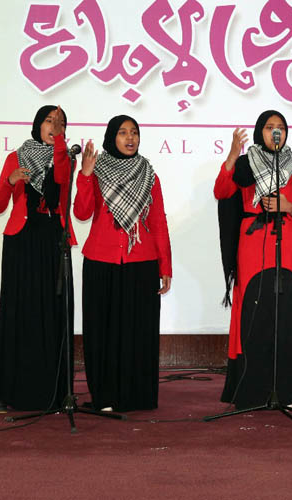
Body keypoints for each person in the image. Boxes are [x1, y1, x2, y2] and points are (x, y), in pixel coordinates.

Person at [74, 115, 172, 412]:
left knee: (137, 333)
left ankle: (136, 395)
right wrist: (85, 175)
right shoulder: (96, 170)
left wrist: (165, 267)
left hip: (141, 262)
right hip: (101, 260)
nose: (130, 138)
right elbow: (81, 212)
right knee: (101, 332)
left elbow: (158, 222)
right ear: (111, 138)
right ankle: (104, 396)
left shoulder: (148, 175)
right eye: (123, 133)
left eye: (134, 132)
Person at [214, 110, 292, 409]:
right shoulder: (244, 165)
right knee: (253, 308)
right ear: (259, 132)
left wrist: (288, 206)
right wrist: (232, 156)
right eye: (270, 127)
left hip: (285, 242)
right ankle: (251, 389)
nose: (275, 132)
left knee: (283, 311)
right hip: (252, 242)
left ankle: (284, 390)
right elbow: (221, 191)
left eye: (280, 127)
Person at [0, 105, 76, 414]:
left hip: (53, 242)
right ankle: (5, 391)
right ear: (38, 124)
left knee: (52, 314)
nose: (54, 126)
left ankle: (52, 392)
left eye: (60, 122)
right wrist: (9, 181)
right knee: (18, 313)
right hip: (22, 242)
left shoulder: (65, 158)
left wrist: (60, 144)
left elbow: (62, 179)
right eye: (49, 121)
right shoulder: (16, 157)